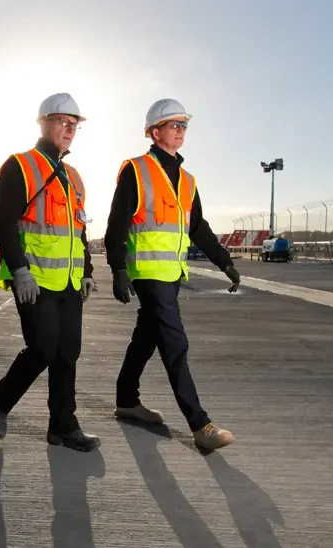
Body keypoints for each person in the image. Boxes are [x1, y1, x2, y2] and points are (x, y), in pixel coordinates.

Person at [103, 98, 241, 452]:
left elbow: (198, 227)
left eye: (184, 125)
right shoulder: (137, 169)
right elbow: (116, 223)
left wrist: (224, 260)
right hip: (146, 271)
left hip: (171, 274)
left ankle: (126, 400)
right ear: (154, 131)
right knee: (174, 342)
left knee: (146, 337)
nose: (180, 131)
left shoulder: (188, 180)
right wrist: (118, 268)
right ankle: (200, 424)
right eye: (173, 125)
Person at [0, 92, 100, 453]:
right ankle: (0, 401)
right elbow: (2, 221)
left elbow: (78, 231)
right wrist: (19, 270)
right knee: (43, 349)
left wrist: (88, 270)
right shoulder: (21, 165)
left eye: (74, 125)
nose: (69, 130)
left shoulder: (74, 177)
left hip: (68, 280)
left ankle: (63, 427)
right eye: (63, 122)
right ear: (43, 123)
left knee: (69, 352)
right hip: (33, 278)